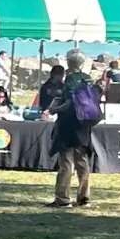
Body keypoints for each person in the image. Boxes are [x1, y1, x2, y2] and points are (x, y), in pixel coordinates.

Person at [47, 49, 98, 208]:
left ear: (69, 62)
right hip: (84, 126)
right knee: (83, 163)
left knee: (66, 163)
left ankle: (62, 199)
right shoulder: (88, 78)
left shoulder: (70, 79)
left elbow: (70, 102)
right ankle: (84, 199)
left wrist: (55, 109)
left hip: (69, 125)